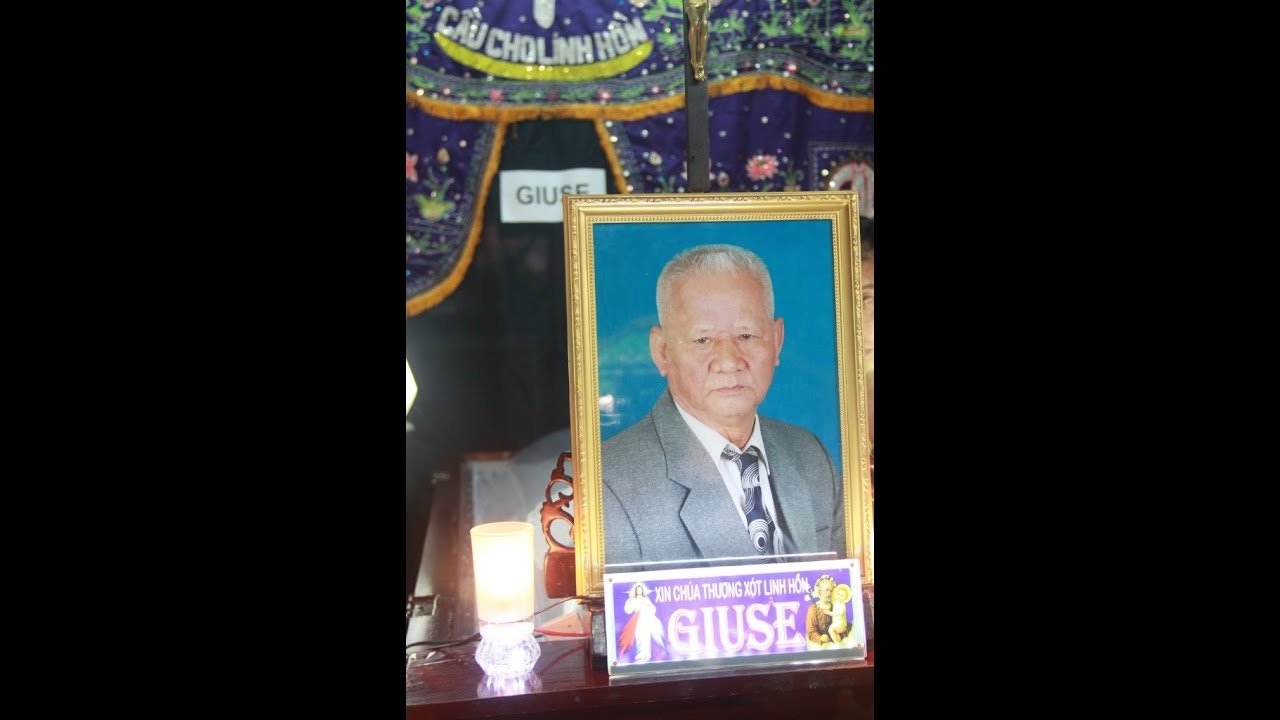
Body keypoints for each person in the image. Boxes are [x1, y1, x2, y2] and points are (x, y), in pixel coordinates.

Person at [602, 244, 845, 568]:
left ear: (776, 340)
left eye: (746, 335)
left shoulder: (811, 455)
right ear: (662, 351)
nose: (729, 361)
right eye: (703, 340)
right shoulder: (611, 482)